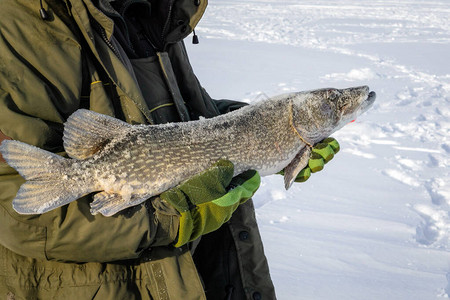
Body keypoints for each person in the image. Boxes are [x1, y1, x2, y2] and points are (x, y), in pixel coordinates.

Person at [0, 0, 338, 299]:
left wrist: (265, 134)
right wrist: (173, 218)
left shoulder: (152, 11)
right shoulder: (14, 25)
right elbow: (22, 217)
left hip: (211, 272)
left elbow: (177, 118)